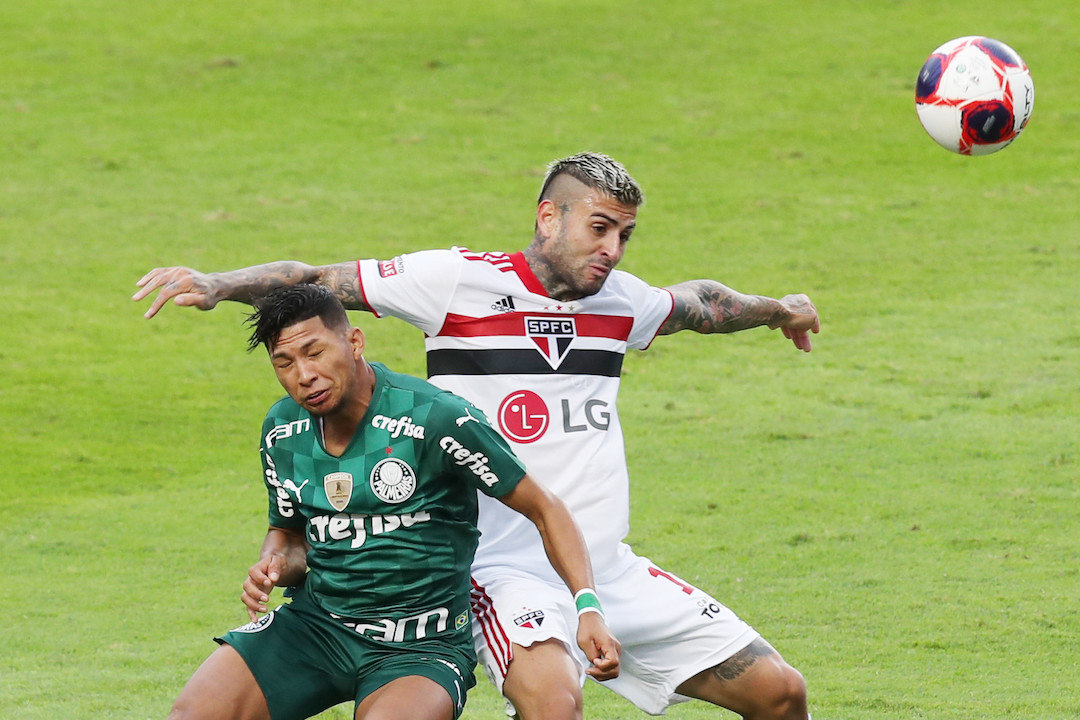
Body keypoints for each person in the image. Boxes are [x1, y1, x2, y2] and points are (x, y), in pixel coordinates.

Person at [137, 152, 819, 720]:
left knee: (782, 694)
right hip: (502, 570)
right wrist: (218, 285)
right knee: (554, 706)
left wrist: (780, 310)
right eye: (600, 227)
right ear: (549, 217)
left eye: (625, 236)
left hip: (607, 569)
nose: (612, 249)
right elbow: (318, 283)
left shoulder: (623, 303)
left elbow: (704, 303)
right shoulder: (457, 282)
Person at [164, 284, 619, 720]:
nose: (303, 376)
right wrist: (275, 563)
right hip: (317, 626)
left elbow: (545, 508)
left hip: (421, 645)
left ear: (355, 341)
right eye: (284, 363)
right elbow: (288, 532)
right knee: (193, 715)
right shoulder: (283, 430)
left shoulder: (436, 417)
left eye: (315, 352)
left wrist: (587, 608)